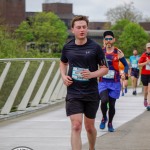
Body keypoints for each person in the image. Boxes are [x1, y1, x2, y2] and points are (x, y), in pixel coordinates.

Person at [60, 15, 108, 150]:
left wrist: (92, 74)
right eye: (78, 27)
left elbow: (105, 69)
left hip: (91, 92)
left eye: (84, 27)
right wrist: (63, 76)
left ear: (87, 29)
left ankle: (91, 148)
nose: (82, 30)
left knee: (89, 127)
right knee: (76, 126)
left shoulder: (95, 48)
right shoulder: (67, 47)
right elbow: (63, 62)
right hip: (74, 92)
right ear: (72, 30)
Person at [98, 30, 129, 132]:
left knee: (112, 105)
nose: (108, 41)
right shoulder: (100, 52)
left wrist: (124, 73)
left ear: (114, 40)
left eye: (110, 39)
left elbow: (126, 65)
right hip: (103, 81)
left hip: (115, 82)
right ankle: (104, 117)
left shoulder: (118, 52)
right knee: (104, 100)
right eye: (106, 39)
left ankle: (110, 122)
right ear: (104, 40)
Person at [138, 43, 150, 110]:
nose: (149, 49)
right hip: (144, 74)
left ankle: (149, 103)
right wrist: (146, 63)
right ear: (146, 48)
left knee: (149, 89)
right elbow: (139, 64)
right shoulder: (144, 55)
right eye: (148, 48)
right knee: (145, 90)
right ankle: (145, 99)